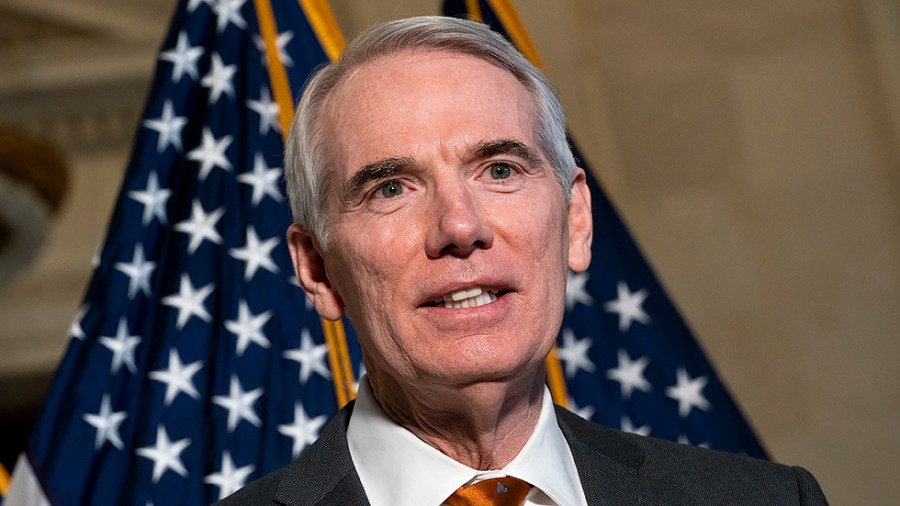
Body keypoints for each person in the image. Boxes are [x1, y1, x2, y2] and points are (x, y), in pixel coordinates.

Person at [219, 16, 828, 506]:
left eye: (500, 170)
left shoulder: (772, 500)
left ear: (577, 222)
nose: (461, 227)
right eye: (391, 188)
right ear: (318, 270)